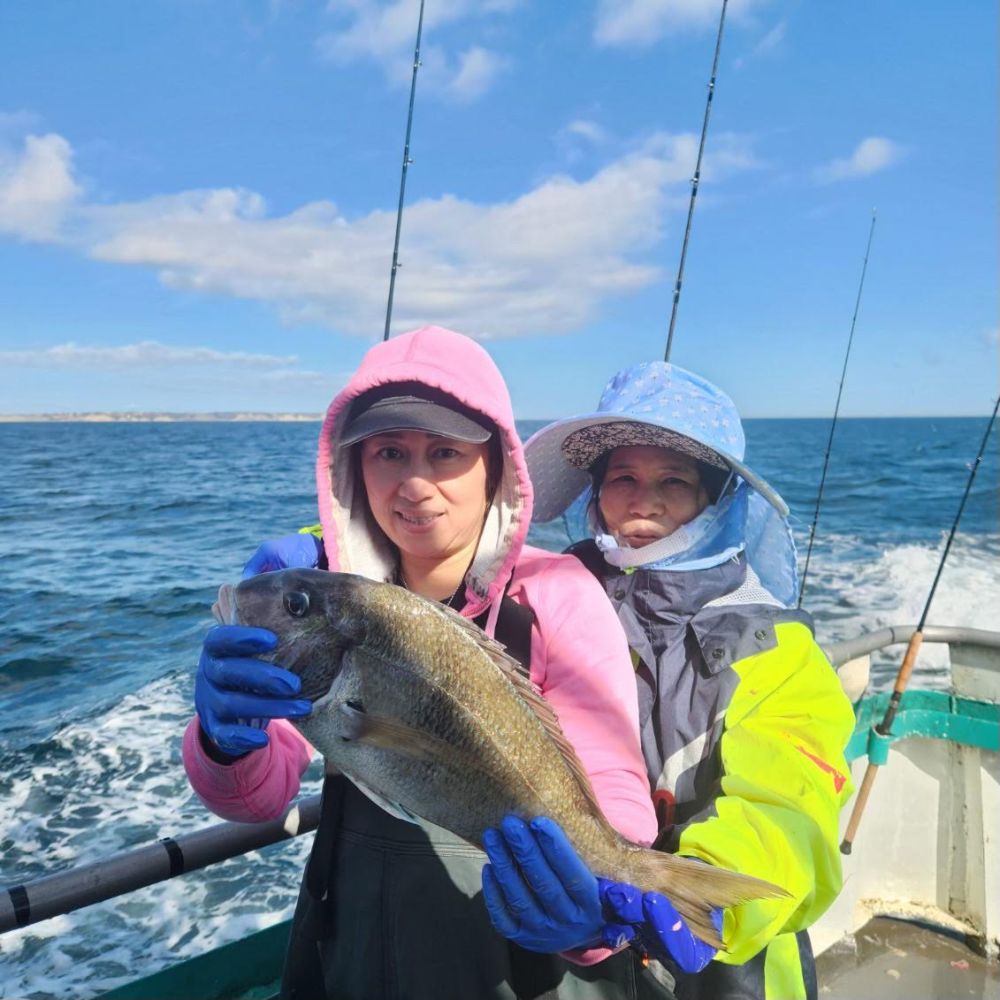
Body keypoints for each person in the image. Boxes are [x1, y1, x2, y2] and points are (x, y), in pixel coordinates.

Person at [186, 326, 700, 1000]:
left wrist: (597, 900)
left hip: (510, 968)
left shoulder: (557, 595)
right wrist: (226, 743)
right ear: (353, 470)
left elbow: (609, 775)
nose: (415, 483)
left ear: (496, 470)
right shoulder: (333, 599)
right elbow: (258, 798)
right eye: (389, 452)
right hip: (351, 952)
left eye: (447, 453)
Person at [509, 361, 857, 1000]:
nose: (644, 500)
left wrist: (703, 890)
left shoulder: (780, 650)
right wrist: (338, 560)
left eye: (675, 479)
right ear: (596, 492)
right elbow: (443, 567)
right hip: (570, 960)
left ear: (717, 498)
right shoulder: (542, 595)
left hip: (728, 971)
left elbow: (793, 809)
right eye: (623, 478)